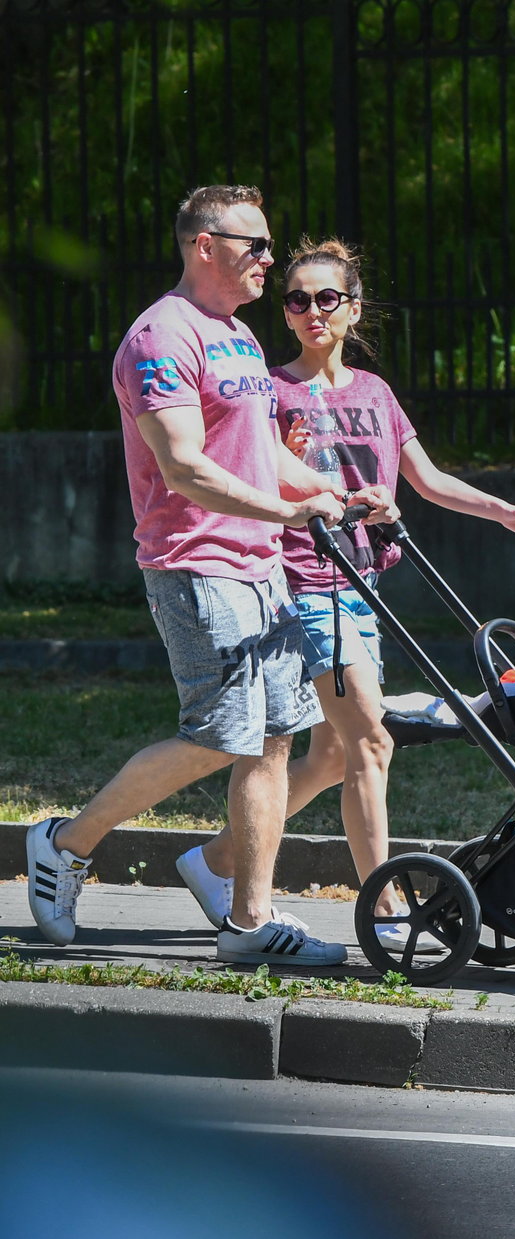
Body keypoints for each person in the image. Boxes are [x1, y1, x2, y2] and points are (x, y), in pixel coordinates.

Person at [25, 188, 397, 967]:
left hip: (259, 565)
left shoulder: (234, 337)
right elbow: (186, 467)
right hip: (197, 564)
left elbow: (261, 453)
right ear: (204, 245)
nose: (269, 259)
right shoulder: (160, 337)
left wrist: (325, 492)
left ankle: (248, 922)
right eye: (254, 245)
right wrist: (287, 513)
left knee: (270, 741)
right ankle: (65, 841)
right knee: (221, 735)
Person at [176, 236, 515, 950]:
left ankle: (216, 858)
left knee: (332, 758)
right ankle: (384, 913)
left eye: (326, 298)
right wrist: (337, 490)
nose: (311, 311)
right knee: (372, 743)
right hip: (301, 583)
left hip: (362, 586)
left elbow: (428, 481)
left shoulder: (375, 393)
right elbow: (259, 470)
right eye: (296, 299)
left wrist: (502, 510)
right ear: (284, 312)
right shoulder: (270, 388)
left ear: (352, 307)